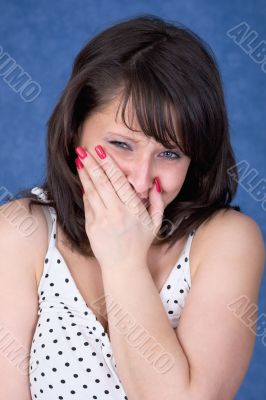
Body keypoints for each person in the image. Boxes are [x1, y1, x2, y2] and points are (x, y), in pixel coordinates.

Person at [0, 14, 265, 400]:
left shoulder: (225, 241)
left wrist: (123, 260)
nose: (141, 181)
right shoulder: (20, 232)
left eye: (170, 153)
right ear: (75, 128)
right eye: (122, 144)